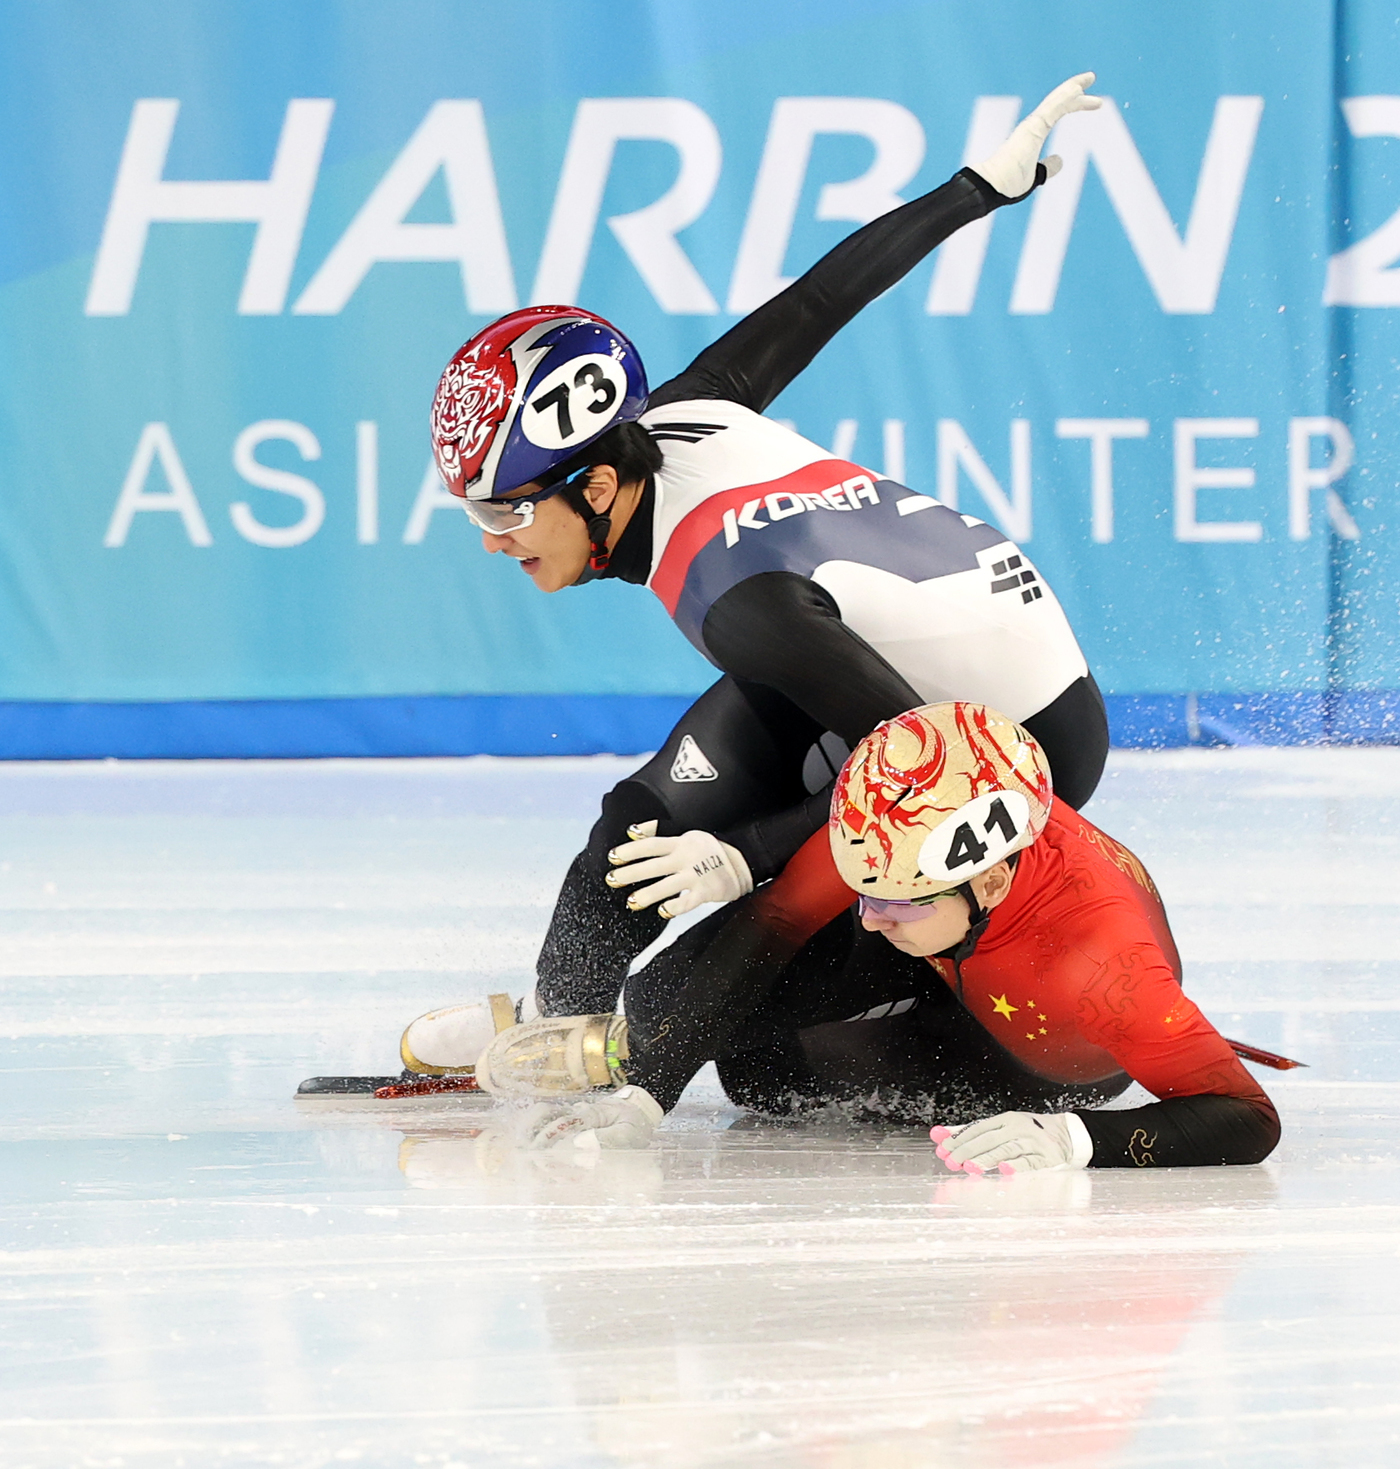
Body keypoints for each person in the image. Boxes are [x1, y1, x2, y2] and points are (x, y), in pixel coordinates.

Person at [401, 75, 1114, 1082]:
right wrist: (973, 188)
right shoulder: (682, 413)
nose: (490, 540)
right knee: (632, 838)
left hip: (1016, 745)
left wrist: (752, 853)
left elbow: (930, 765)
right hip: (873, 668)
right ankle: (552, 1031)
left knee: (759, 1059)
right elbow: (823, 298)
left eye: (503, 511)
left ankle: (1019, 1037)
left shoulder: (740, 601)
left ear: (598, 485)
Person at [475, 702, 1282, 1173]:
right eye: (867, 891)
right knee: (680, 1006)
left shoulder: (1107, 972)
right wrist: (651, 1088)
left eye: (891, 901)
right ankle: (630, 1043)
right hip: (958, 944)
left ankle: (639, 1039)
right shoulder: (905, 831)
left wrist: (1077, 1139)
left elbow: (1248, 1117)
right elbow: (776, 919)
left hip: (1038, 1042)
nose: (866, 914)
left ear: (991, 879)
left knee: (761, 1074)